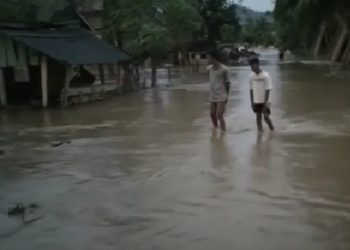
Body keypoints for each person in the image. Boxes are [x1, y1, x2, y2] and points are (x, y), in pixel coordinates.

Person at [248, 58, 274, 132]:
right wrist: (252, 102)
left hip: (266, 100)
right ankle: (260, 133)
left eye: (253, 66)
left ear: (258, 65)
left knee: (266, 117)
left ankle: (272, 129)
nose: (252, 68)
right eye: (251, 66)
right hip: (256, 100)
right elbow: (251, 90)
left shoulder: (266, 75)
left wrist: (266, 102)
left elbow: (268, 89)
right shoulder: (251, 76)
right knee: (258, 118)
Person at [207, 51, 230, 131]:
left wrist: (227, 95)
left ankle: (223, 132)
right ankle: (216, 128)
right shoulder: (209, 68)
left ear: (213, 58)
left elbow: (227, 83)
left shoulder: (224, 69)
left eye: (209, 58)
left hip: (222, 94)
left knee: (219, 115)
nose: (208, 59)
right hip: (213, 94)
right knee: (212, 114)